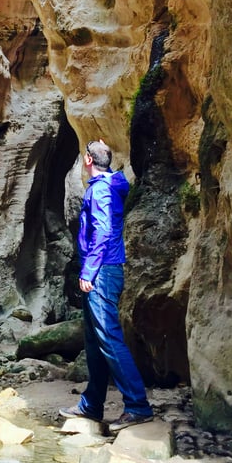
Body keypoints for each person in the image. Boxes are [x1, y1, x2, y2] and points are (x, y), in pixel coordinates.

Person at [60, 139, 153, 432]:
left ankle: (138, 406)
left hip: (101, 272)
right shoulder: (110, 186)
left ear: (88, 160)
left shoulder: (100, 190)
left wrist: (88, 272)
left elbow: (101, 232)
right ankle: (91, 404)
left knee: (110, 339)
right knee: (95, 341)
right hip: (105, 269)